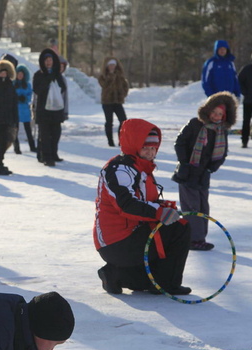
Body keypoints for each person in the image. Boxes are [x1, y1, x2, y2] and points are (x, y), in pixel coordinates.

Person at [94, 118, 192, 295]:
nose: (150, 152)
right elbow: (127, 205)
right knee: (180, 228)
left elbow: (144, 200)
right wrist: (160, 212)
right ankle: (167, 283)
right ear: (133, 145)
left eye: (153, 148)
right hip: (118, 241)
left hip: (134, 233)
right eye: (145, 147)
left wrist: (163, 207)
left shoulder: (139, 168)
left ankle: (115, 275)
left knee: (149, 278)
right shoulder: (119, 169)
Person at [173, 92, 238, 251]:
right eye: (214, 112)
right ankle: (193, 239)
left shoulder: (220, 131)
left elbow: (222, 153)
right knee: (192, 207)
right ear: (208, 110)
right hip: (187, 173)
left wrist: (212, 167)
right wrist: (185, 162)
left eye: (220, 114)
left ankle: (200, 237)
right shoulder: (195, 124)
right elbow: (180, 143)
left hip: (203, 175)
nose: (216, 116)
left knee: (203, 208)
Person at [33, 49, 66, 167]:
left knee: (56, 133)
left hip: (56, 110)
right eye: (46, 60)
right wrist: (47, 79)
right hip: (43, 110)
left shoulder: (57, 74)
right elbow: (37, 90)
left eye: (50, 60)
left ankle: (54, 153)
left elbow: (63, 88)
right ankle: (46, 157)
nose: (48, 62)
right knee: (45, 135)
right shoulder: (38, 75)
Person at [98, 57, 129, 147]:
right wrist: (111, 76)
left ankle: (121, 140)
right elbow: (104, 85)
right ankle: (110, 141)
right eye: (110, 65)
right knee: (109, 122)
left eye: (113, 65)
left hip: (118, 101)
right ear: (107, 66)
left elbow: (125, 85)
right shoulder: (103, 76)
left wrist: (123, 94)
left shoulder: (120, 75)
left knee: (123, 120)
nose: (112, 67)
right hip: (107, 102)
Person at [13, 64, 37, 154]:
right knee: (15, 130)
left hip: (25, 109)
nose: (20, 76)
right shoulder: (13, 84)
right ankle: (16, 148)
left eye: (21, 74)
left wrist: (25, 98)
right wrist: (16, 98)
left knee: (28, 130)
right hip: (15, 109)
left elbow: (30, 94)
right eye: (18, 74)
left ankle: (32, 146)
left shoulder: (27, 85)